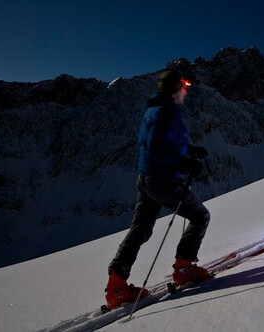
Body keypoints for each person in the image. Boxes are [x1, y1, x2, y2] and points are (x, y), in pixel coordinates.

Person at [104, 70, 211, 309]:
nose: (185, 91)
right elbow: (159, 150)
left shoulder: (154, 110)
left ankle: (116, 286)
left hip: (146, 179)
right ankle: (184, 269)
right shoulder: (166, 112)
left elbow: (163, 143)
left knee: (141, 229)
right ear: (173, 89)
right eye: (182, 87)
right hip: (162, 180)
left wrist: (189, 150)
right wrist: (186, 163)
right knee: (200, 216)